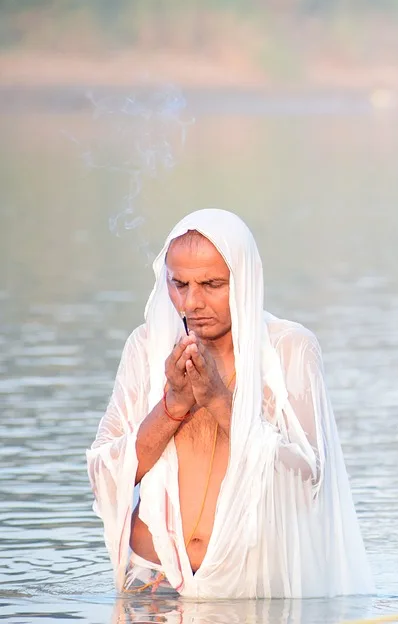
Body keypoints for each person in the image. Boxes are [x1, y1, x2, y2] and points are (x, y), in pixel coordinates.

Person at [86, 208, 373, 598]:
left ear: (245, 279)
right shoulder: (147, 346)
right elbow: (105, 474)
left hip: (248, 588)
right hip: (151, 585)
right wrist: (172, 405)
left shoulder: (288, 349)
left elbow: (308, 481)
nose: (192, 302)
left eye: (211, 284)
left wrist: (221, 402)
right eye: (179, 284)